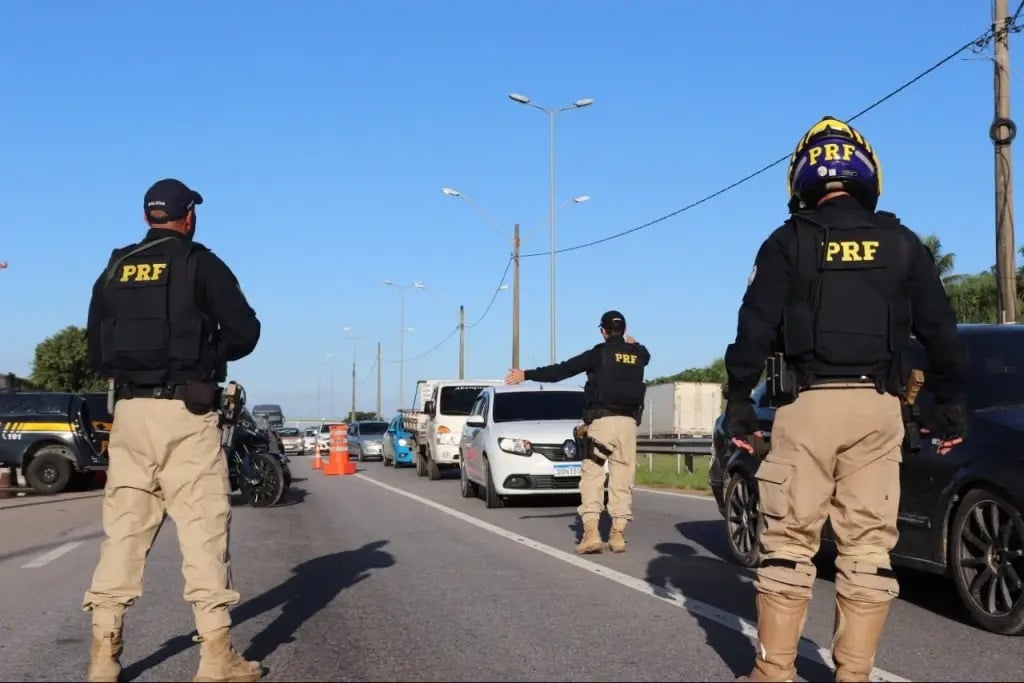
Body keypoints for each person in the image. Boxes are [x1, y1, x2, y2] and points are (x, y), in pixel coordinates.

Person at [723, 117, 968, 682]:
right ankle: (854, 675)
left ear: (801, 177)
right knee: (868, 548)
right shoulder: (903, 244)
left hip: (806, 406)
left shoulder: (787, 242)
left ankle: (774, 672)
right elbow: (942, 332)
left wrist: (739, 401)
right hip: (878, 410)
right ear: (867, 173)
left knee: (789, 542)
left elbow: (753, 329)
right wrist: (951, 404)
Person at [82, 178, 263, 683]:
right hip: (186, 414)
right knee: (203, 531)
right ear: (189, 217)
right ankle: (216, 656)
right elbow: (246, 332)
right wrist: (206, 356)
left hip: (130, 416)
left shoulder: (115, 267)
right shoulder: (200, 263)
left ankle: (103, 656)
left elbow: (96, 349)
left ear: (147, 217)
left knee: (124, 534)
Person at [505, 310, 651, 554]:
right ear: (624, 330)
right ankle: (618, 535)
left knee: (593, 476)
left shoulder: (598, 354)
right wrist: (635, 345)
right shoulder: (639, 354)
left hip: (602, 423)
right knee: (622, 480)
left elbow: (562, 371)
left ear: (603, 331)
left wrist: (526, 375)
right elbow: (645, 355)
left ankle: (591, 534)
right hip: (628, 424)